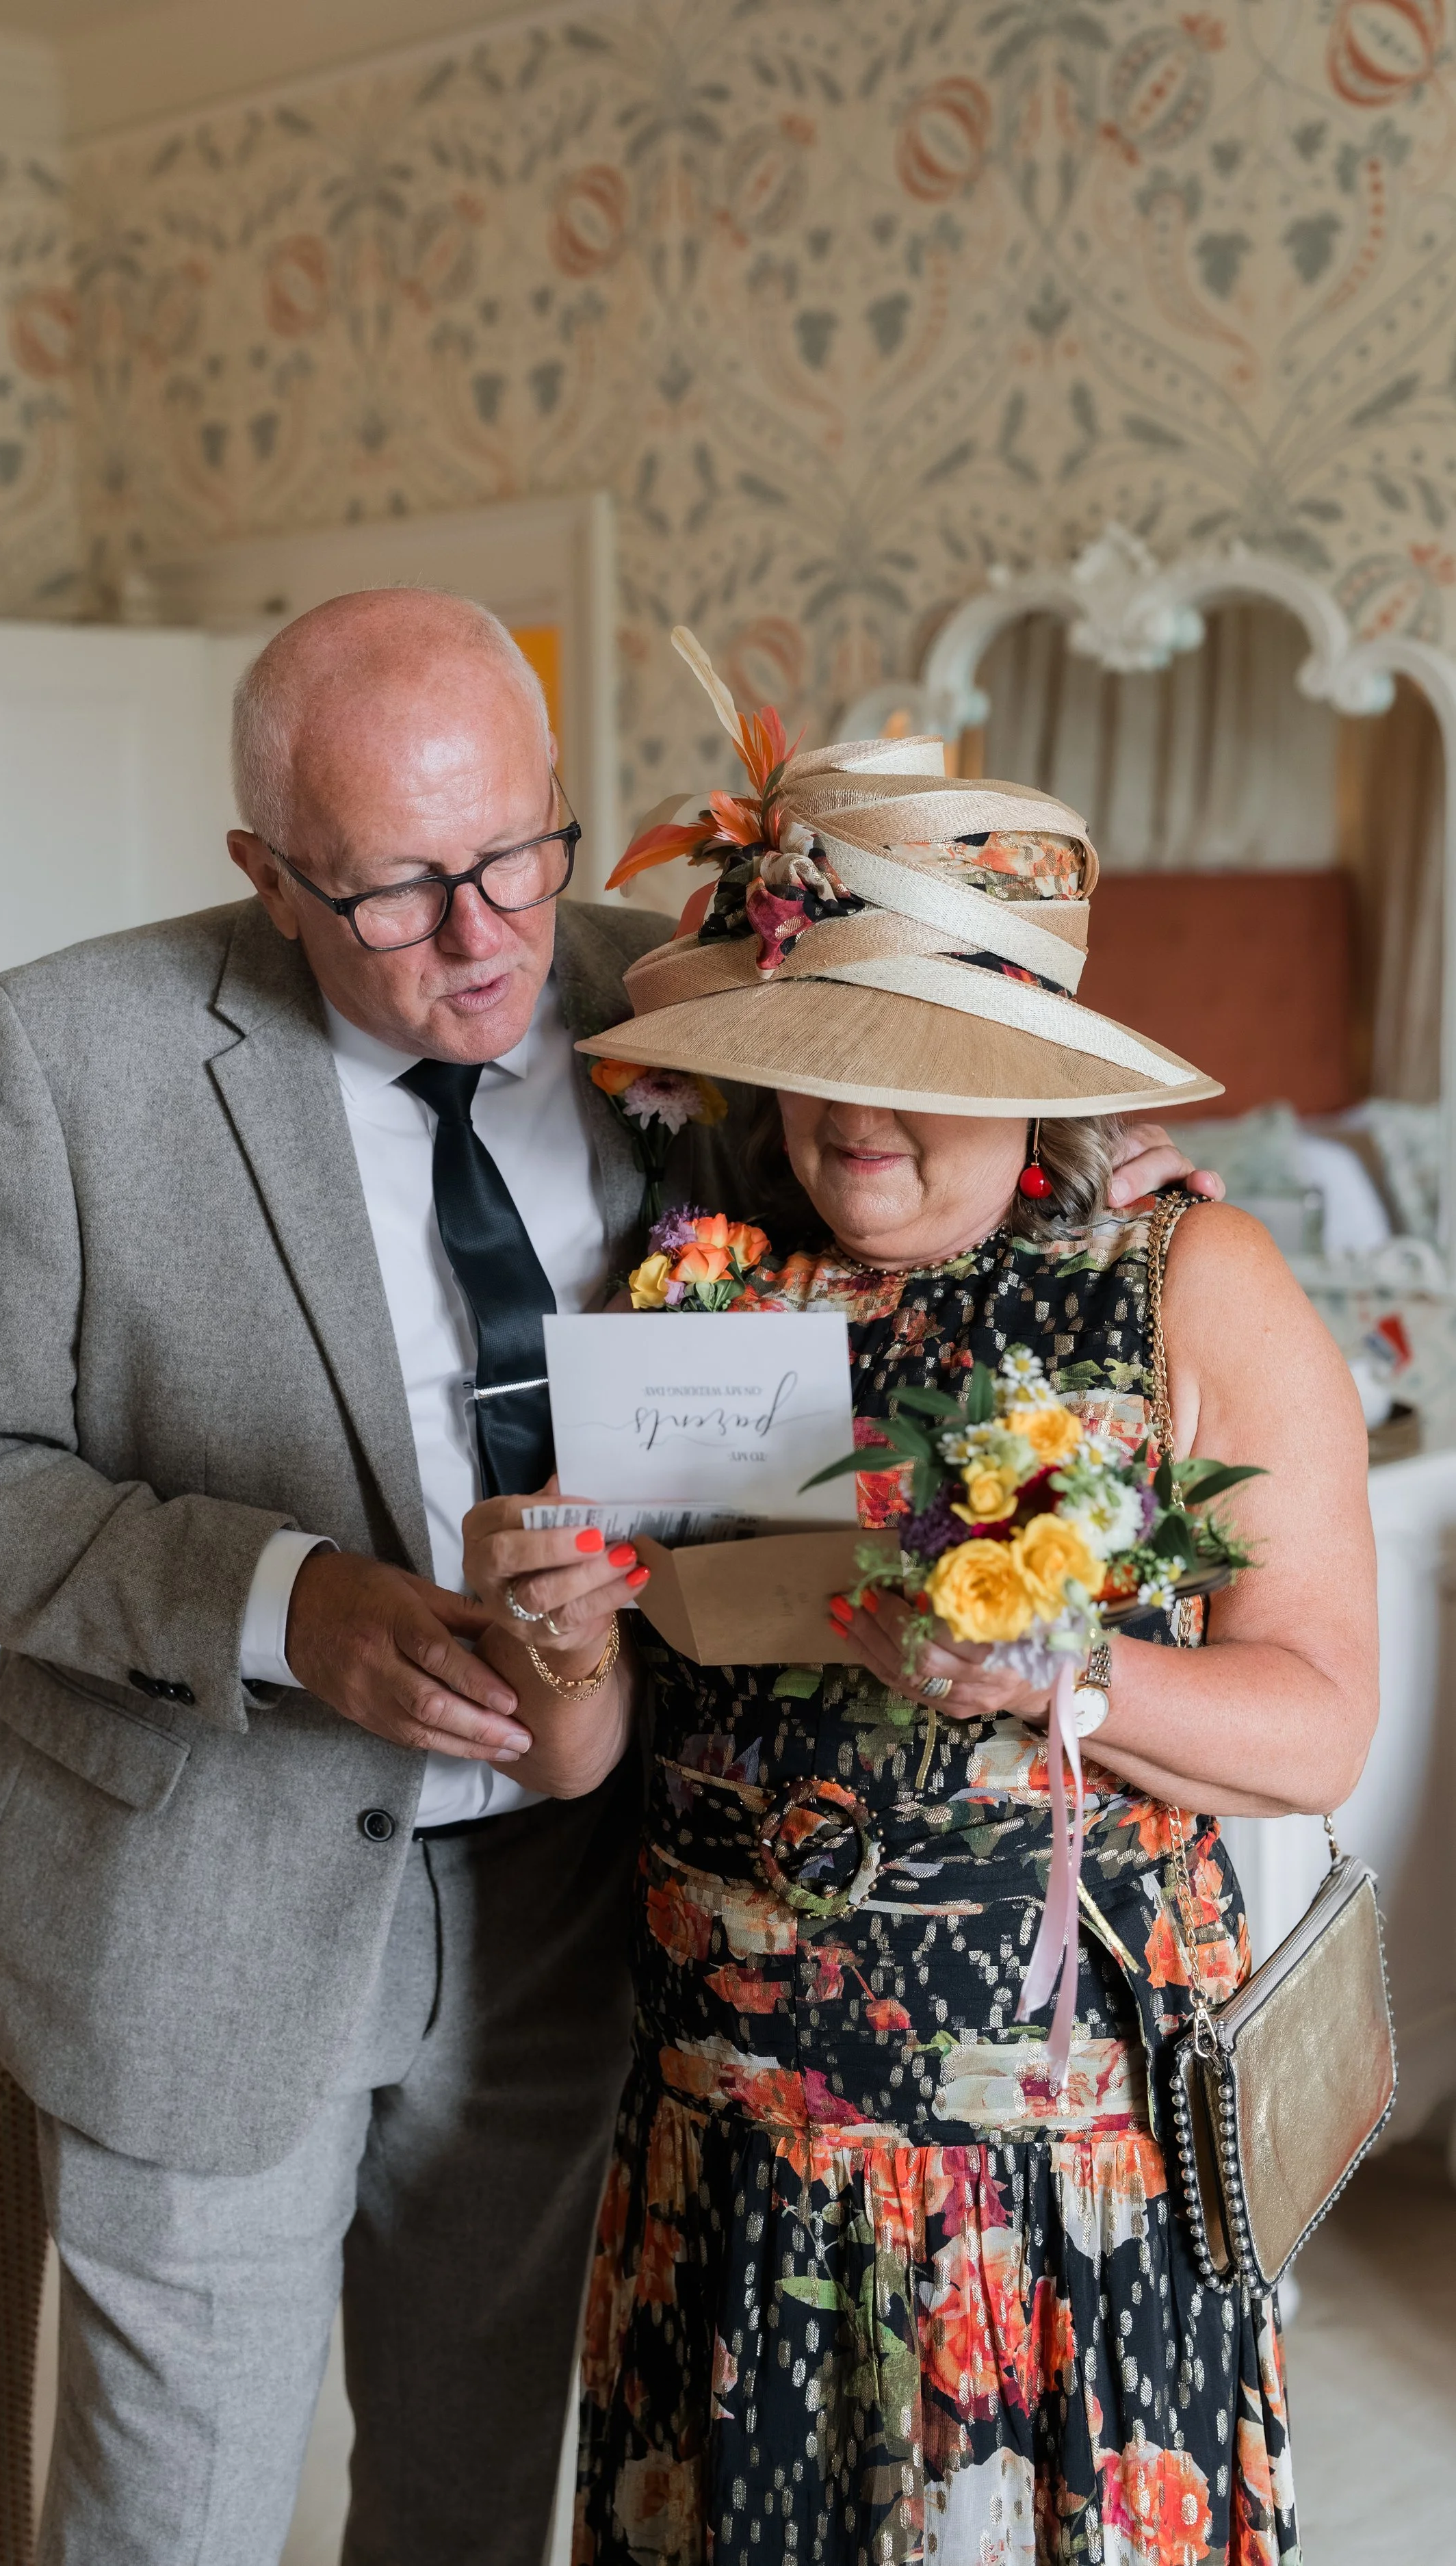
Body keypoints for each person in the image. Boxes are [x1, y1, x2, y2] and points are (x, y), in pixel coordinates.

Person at [0, 590, 1219, 2566]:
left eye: (515, 852)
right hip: (200, 1916)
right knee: (172, 2521)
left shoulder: (685, 1009)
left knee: (470, 2502)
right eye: (395, 891)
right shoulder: (73, 1054)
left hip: (577, 1902)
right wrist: (282, 1602)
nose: (483, 934)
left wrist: (1093, 1172)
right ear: (268, 874)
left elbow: (892, 1180)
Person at [460, 707, 1377, 2563]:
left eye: (921, 1061)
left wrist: (1068, 1677)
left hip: (1043, 2195)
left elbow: (1317, 1726)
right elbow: (582, 1754)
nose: (852, 1114)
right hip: (728, 2163)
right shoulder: (704, 1293)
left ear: (1032, 1069)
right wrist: (543, 1622)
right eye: (818, 1052)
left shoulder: (1183, 1285)